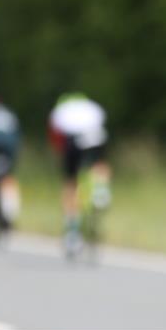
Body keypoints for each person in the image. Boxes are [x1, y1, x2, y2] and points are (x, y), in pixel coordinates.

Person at [47, 93, 111, 254]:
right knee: (99, 163)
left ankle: (72, 228)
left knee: (71, 182)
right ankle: (101, 190)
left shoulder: (60, 111)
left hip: (74, 141)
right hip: (96, 137)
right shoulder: (91, 106)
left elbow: (56, 139)